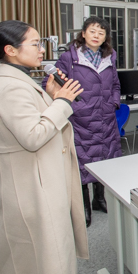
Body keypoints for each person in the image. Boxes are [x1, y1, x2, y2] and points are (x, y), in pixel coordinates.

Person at [0, 20, 88, 274]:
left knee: (17, 259)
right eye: (35, 44)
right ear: (10, 50)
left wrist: (53, 97)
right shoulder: (11, 88)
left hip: (28, 181)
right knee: (44, 265)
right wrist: (62, 102)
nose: (42, 50)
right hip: (31, 186)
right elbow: (32, 136)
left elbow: (34, 120)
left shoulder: (18, 79)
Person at [44, 16, 121, 227]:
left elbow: (115, 84)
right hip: (80, 120)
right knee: (81, 163)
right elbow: (49, 84)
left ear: (105, 37)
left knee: (104, 159)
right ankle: (83, 207)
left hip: (105, 118)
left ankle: (99, 199)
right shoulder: (69, 57)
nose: (96, 36)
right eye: (92, 31)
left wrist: (114, 102)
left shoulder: (110, 56)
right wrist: (73, 107)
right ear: (84, 33)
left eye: (101, 32)